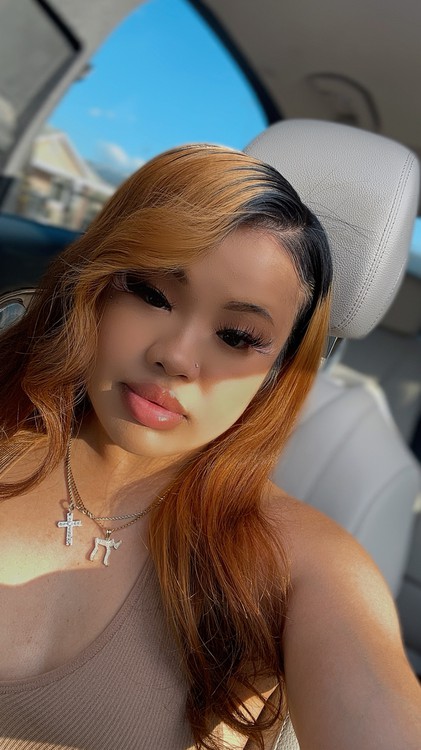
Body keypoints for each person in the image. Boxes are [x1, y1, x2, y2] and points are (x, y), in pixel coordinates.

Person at [0, 143, 420, 750]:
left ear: (277, 371)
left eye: (237, 336)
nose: (176, 355)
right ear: (96, 284)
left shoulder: (302, 564)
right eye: (151, 294)